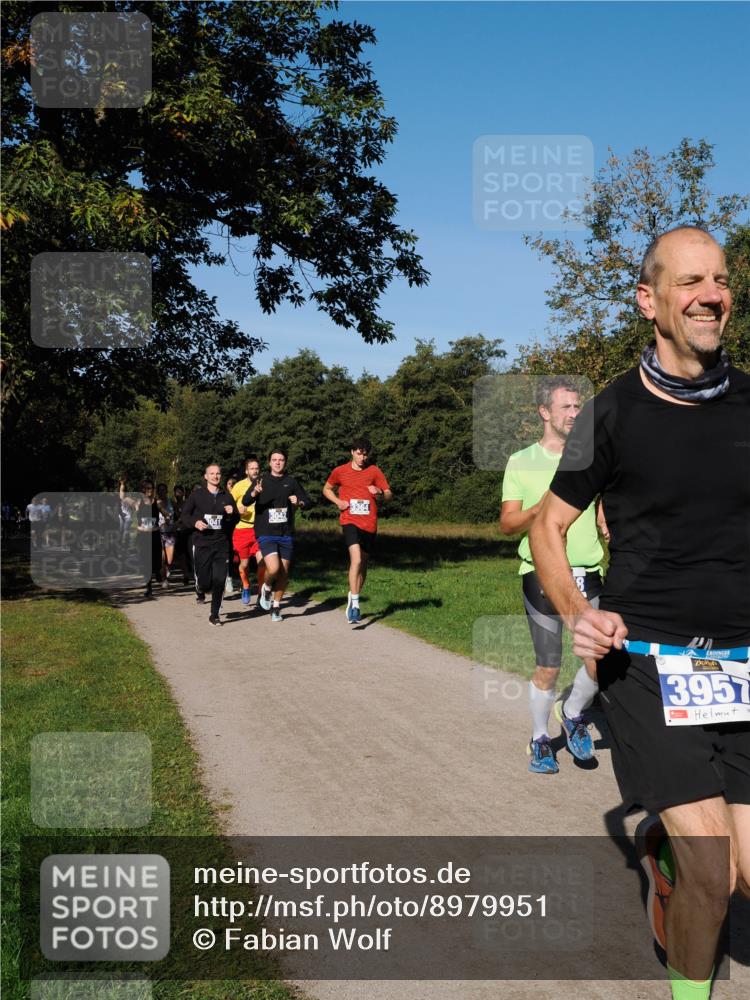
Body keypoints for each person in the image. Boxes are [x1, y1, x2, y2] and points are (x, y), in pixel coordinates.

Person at [529, 226, 750, 1000]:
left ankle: (662, 850)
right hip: (649, 667)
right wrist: (578, 610)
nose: (710, 295)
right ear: (649, 300)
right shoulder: (612, 413)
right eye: (689, 282)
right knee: (714, 873)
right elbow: (547, 526)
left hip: (743, 667)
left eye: (719, 279)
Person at [500, 377, 605, 774]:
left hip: (587, 570)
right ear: (545, 412)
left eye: (578, 407)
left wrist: (603, 509)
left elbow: (608, 493)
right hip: (541, 572)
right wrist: (540, 510)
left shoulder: (593, 456)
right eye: (566, 407)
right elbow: (507, 524)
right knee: (549, 663)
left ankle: (573, 710)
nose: (575, 414)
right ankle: (540, 737)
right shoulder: (521, 461)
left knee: (600, 659)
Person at [323, 437, 392, 624]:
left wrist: (379, 492)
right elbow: (327, 489)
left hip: (369, 523)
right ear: (352, 452)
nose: (362, 457)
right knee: (357, 558)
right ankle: (355, 604)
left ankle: (353, 595)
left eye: (365, 454)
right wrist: (338, 502)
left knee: (363, 566)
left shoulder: (374, 471)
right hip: (349, 520)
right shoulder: (340, 471)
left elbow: (389, 494)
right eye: (359, 453)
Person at [241, 449, 311, 622]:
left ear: (285, 462)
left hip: (285, 532)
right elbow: (245, 501)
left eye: (281, 460)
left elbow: (307, 501)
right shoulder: (261, 480)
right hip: (266, 532)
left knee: (284, 574)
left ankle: (276, 606)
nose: (278, 463)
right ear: (269, 462)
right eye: (274, 460)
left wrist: (300, 502)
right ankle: (265, 587)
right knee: (273, 569)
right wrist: (254, 493)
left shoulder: (291, 481)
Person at [180, 463, 237, 625]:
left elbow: (236, 519)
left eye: (218, 473)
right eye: (212, 473)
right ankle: (200, 587)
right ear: (206, 476)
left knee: (219, 580)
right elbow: (185, 515)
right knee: (205, 583)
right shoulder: (197, 495)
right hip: (202, 543)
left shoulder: (226, 496)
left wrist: (233, 513)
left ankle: (214, 614)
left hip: (221, 544)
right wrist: (195, 522)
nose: (215, 476)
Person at [231, 456, 266, 607]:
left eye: (257, 468)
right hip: (242, 529)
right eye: (252, 468)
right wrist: (237, 510)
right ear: (246, 471)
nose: (255, 470)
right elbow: (229, 505)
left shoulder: (265, 484)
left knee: (262, 563)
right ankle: (245, 585)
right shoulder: (239, 486)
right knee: (244, 564)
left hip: (259, 529)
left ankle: (260, 594)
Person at [132, 480, 163, 599]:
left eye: (152, 488)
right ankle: (149, 587)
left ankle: (158, 571)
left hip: (154, 534)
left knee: (156, 558)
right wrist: (123, 485)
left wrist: (167, 516)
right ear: (143, 490)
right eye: (147, 488)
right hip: (143, 536)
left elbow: (164, 513)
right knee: (145, 561)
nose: (150, 491)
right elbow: (122, 498)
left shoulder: (157, 502)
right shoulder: (138, 503)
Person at [156, 483, 176, 587]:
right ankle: (164, 579)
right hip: (159, 532)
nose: (162, 491)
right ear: (158, 492)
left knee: (169, 559)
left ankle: (166, 570)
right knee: (162, 558)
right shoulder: (156, 503)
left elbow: (180, 513)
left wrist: (176, 524)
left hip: (170, 533)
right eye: (160, 490)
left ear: (166, 491)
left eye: (164, 490)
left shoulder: (171, 502)